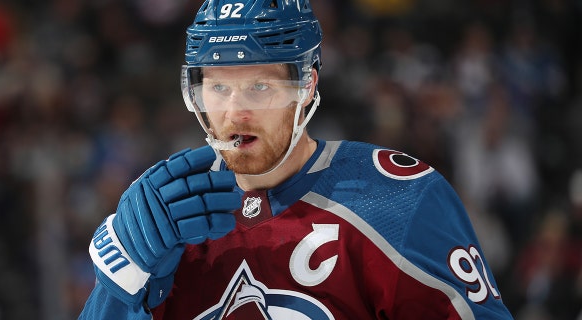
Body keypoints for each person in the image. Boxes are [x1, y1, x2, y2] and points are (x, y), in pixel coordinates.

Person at [79, 0, 514, 318]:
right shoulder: (165, 218)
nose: (235, 113)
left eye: (260, 87)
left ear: (307, 86)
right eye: (218, 87)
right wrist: (121, 283)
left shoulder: (397, 201)